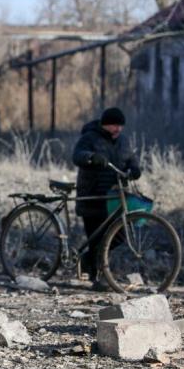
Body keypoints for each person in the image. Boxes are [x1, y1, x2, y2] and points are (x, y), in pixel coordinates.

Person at [72, 107, 141, 291]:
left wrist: (135, 169)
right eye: (114, 125)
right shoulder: (90, 137)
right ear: (104, 124)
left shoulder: (124, 142)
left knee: (118, 237)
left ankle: (87, 260)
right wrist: (91, 157)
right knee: (96, 239)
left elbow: (131, 159)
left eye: (120, 126)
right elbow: (77, 156)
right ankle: (98, 278)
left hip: (114, 198)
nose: (118, 129)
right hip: (92, 196)